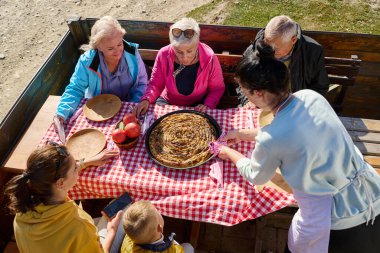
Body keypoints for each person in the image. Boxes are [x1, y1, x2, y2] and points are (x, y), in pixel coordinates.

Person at [218, 41, 380, 253]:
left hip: (338, 218)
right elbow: (292, 133)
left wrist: (229, 153)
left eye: (246, 94)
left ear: (258, 93)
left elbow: (256, 176)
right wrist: (243, 134)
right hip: (373, 192)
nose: (246, 98)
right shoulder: (311, 97)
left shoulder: (272, 138)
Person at [4, 143, 124, 253]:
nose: (78, 167)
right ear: (60, 183)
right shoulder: (79, 226)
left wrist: (86, 162)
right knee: (123, 212)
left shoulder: (22, 211)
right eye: (75, 168)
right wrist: (112, 230)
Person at [55, 16, 148, 122]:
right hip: (100, 112)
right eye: (110, 48)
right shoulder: (87, 61)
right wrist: (62, 113)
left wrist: (133, 104)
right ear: (99, 47)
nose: (117, 51)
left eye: (119, 44)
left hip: (128, 108)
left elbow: (142, 82)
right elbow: (75, 88)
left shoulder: (132, 53)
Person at [133, 18, 225, 117]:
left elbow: (217, 88)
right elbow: (156, 84)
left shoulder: (209, 57)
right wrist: (147, 99)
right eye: (179, 52)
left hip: (198, 104)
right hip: (169, 102)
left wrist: (207, 104)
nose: (184, 57)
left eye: (189, 51)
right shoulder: (163, 54)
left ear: (197, 44)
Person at [237, 15, 329, 108]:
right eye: (267, 44)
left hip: (298, 106)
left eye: (276, 48)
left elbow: (320, 86)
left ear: (293, 39)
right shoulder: (254, 50)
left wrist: (306, 107)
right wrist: (248, 100)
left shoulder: (313, 51)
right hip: (262, 107)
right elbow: (242, 83)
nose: (270, 51)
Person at [121, 200, 194, 253]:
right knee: (188, 247)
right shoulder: (176, 250)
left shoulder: (129, 239)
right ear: (160, 228)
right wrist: (173, 245)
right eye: (158, 212)